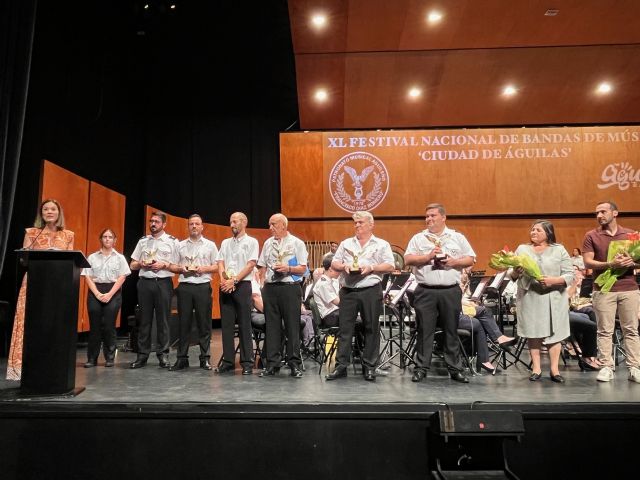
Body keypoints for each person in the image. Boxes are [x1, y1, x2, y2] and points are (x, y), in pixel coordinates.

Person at [404, 203, 475, 383]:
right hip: (425, 291)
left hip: (450, 290)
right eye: (427, 216)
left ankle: (455, 368)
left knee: (451, 330)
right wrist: (427, 257)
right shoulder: (419, 238)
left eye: (433, 216)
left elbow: (470, 258)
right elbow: (408, 259)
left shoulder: (456, 237)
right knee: (424, 330)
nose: (429, 219)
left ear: (443, 217)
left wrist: (453, 262)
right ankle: (421, 368)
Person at [6, 199, 75, 381]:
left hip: (58, 285)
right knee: (31, 321)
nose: (49, 212)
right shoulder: (32, 233)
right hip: (33, 283)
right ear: (41, 213)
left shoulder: (68, 235)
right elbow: (24, 260)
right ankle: (26, 367)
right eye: (46, 209)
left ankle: (53, 365)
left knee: (53, 323)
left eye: (53, 209)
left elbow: (71, 262)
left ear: (59, 213)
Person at [326, 211, 395, 382]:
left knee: (371, 328)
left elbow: (390, 265)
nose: (357, 225)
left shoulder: (381, 244)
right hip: (348, 290)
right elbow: (334, 262)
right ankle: (341, 367)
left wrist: (371, 267)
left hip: (370, 290)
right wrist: (345, 266)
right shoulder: (346, 243)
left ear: (371, 224)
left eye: (361, 222)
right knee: (345, 329)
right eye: (355, 223)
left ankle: (370, 367)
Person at [582, 201, 640, 383]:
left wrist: (632, 263)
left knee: (630, 329)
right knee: (604, 330)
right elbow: (588, 263)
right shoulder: (591, 235)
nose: (599, 215)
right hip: (603, 289)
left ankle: (634, 367)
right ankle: (606, 366)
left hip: (629, 287)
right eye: (597, 213)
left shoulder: (631, 235)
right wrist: (610, 264)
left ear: (615, 213)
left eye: (603, 211)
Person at [511, 220, 573, 383]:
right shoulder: (522, 249)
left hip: (554, 297)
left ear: (548, 233)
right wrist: (516, 272)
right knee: (533, 332)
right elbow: (512, 275)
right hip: (530, 297)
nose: (533, 232)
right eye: (532, 230)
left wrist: (554, 280)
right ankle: (536, 368)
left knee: (555, 333)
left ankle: (554, 369)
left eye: (538, 230)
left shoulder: (558, 250)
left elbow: (569, 274)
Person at [257, 213, 308, 378]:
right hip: (271, 289)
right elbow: (262, 265)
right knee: (272, 327)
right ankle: (272, 363)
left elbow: (303, 269)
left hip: (290, 287)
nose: (270, 228)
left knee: (292, 326)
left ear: (284, 225)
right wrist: (262, 282)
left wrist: (288, 269)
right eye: (269, 224)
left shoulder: (297, 243)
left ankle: (294, 364)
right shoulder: (267, 243)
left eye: (273, 224)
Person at [129, 212, 179, 369]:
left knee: (163, 320)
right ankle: (142, 355)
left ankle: (163, 355)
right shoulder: (143, 241)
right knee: (144, 320)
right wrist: (141, 264)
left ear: (164, 224)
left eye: (157, 221)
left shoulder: (172, 241)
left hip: (163, 282)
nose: (153, 224)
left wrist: (164, 264)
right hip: (145, 283)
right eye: (151, 221)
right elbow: (132, 264)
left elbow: (177, 266)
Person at [168, 214, 218, 371]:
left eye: (197, 224)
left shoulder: (210, 245)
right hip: (185, 286)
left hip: (203, 285)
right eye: (191, 224)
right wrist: (181, 269)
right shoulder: (180, 245)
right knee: (184, 323)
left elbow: (217, 266)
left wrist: (204, 269)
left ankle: (205, 359)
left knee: (204, 323)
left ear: (202, 226)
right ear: (188, 226)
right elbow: (171, 266)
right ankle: (182, 358)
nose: (194, 226)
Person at [216, 212, 259, 375]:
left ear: (244, 222)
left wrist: (234, 281)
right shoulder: (225, 242)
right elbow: (220, 262)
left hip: (242, 286)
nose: (232, 224)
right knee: (226, 326)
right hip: (226, 285)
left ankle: (247, 362)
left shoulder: (252, 242)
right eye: (230, 222)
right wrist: (224, 279)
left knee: (244, 325)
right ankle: (228, 361)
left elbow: (250, 265)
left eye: (234, 221)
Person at [82, 229, 131, 368]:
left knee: (109, 326)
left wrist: (110, 294)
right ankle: (92, 358)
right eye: (105, 236)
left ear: (115, 240)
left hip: (113, 291)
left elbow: (122, 277)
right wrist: (97, 293)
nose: (107, 239)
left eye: (110, 237)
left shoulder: (120, 257)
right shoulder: (92, 257)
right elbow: (87, 276)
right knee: (95, 326)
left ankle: (109, 357)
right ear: (101, 239)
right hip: (95, 290)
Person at [313, 254, 340, 328]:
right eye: (338, 269)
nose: (340, 272)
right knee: (359, 320)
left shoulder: (330, 281)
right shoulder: (323, 284)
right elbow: (338, 302)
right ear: (331, 269)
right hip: (331, 317)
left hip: (335, 314)